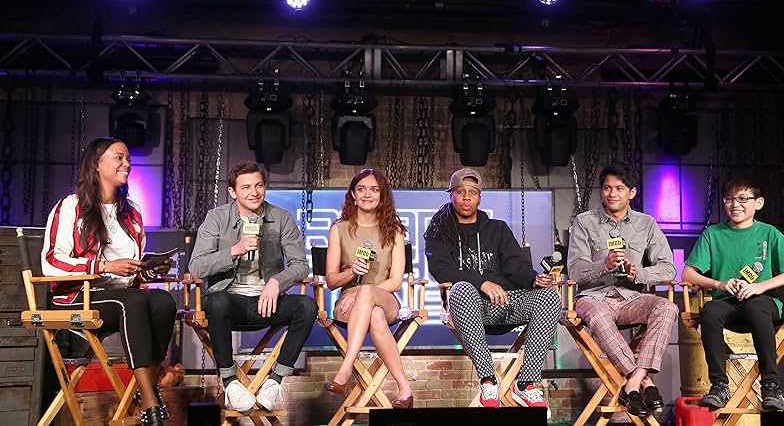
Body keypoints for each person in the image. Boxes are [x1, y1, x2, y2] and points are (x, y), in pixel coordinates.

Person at [41, 137, 176, 426]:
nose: (126, 163)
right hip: (78, 296)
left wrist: (152, 269)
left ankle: (146, 388)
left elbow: (135, 274)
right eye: (118, 157)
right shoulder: (70, 207)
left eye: (127, 158)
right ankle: (150, 398)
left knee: (163, 301)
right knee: (134, 300)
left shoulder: (132, 212)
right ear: (97, 164)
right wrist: (103, 266)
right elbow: (51, 260)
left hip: (122, 296)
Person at [424, 168, 561, 413]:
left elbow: (516, 266)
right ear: (451, 195)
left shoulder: (497, 229)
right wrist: (481, 283)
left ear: (479, 198)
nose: (466, 197)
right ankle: (488, 380)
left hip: (506, 304)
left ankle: (527, 383)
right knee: (462, 289)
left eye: (473, 192)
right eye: (460, 192)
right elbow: (441, 269)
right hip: (469, 309)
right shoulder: (439, 231)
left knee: (549, 296)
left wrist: (534, 279)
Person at [188, 161, 318, 413]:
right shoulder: (216, 218)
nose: (254, 192)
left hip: (266, 302)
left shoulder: (281, 218)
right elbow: (197, 267)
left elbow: (301, 265)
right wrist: (234, 250)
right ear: (233, 192)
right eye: (246, 187)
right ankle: (230, 382)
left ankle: (275, 380)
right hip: (230, 303)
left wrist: (276, 281)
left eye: (259, 185)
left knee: (306, 305)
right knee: (216, 300)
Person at [682, 175, 784, 412]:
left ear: (758, 203)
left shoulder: (769, 233)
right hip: (727, 304)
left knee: (755, 305)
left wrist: (760, 286)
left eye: (743, 198)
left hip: (763, 303)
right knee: (709, 310)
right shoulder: (713, 234)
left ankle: (771, 385)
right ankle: (719, 386)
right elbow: (688, 274)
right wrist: (719, 284)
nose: (735, 204)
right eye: (729, 199)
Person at [568, 162, 678, 417]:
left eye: (619, 188)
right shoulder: (584, 222)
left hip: (631, 298)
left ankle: (632, 382)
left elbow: (668, 269)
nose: (612, 194)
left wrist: (638, 273)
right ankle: (645, 383)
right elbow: (574, 270)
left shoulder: (646, 224)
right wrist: (603, 265)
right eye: (607, 188)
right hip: (592, 298)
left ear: (632, 192)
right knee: (599, 315)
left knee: (667, 307)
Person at [323, 168, 415, 409]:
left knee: (368, 296)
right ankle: (404, 388)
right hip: (347, 304)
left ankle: (345, 370)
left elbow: (395, 280)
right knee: (372, 313)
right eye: (361, 189)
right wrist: (352, 272)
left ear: (382, 196)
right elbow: (331, 281)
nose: (367, 195)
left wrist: (364, 294)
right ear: (353, 194)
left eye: (374, 190)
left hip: (385, 298)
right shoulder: (339, 229)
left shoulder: (394, 231)